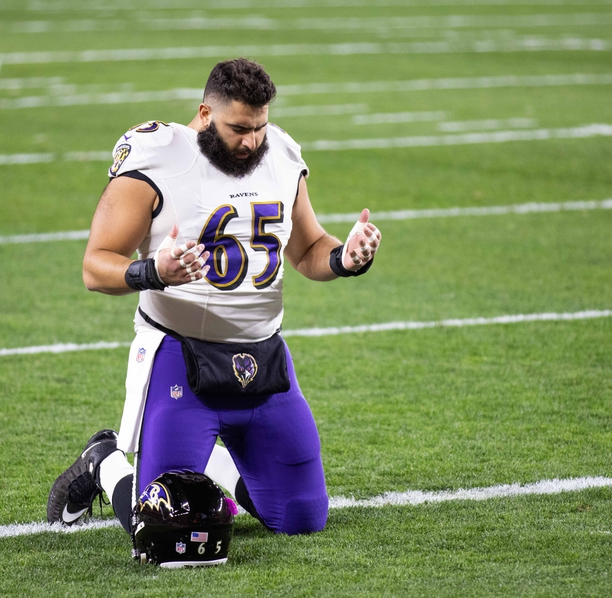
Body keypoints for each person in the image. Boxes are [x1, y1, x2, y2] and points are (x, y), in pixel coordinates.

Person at [47, 58, 382, 547]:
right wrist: (152, 272)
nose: (251, 141)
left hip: (264, 362)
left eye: (259, 127)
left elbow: (309, 249)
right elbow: (95, 266)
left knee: (301, 517)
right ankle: (105, 462)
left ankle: (210, 467)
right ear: (204, 114)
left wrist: (345, 258)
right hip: (181, 361)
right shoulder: (158, 155)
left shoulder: (282, 153)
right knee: (166, 534)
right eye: (238, 128)